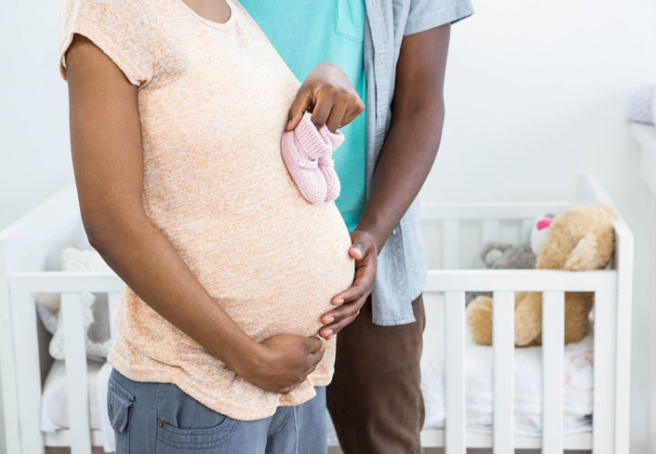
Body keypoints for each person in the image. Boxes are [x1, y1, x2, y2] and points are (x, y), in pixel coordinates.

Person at [58, 0, 367, 452]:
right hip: (196, 386)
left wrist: (327, 74)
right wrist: (250, 358)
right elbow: (111, 222)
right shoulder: (110, 8)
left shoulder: (231, 11)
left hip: (293, 385)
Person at [241, 0, 474, 452]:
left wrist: (372, 236)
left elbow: (421, 104)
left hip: (366, 264)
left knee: (385, 440)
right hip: (240, 264)